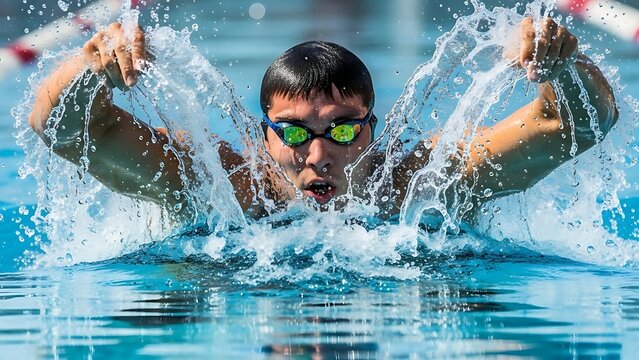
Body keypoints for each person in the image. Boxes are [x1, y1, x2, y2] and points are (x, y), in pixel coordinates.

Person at [28, 17, 618, 222]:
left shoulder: (422, 182)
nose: (318, 156)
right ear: (264, 133)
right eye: (292, 133)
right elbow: (63, 128)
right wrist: (90, 68)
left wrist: (562, 65)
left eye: (341, 129)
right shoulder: (220, 186)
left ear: (371, 129)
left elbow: (573, 126)